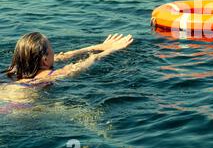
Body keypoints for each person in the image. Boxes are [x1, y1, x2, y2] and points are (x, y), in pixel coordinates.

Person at [0, 33, 133, 108]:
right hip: (19, 106)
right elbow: (84, 64)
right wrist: (112, 49)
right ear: (45, 60)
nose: (55, 51)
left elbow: (65, 55)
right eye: (51, 47)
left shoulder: (18, 68)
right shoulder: (51, 75)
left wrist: (99, 46)